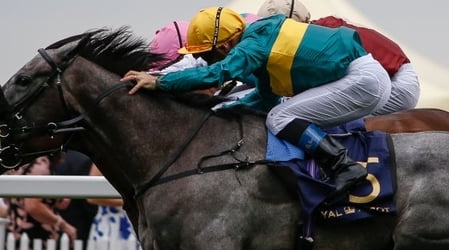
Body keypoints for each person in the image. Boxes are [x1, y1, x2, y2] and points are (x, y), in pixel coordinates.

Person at [122, 6, 391, 204]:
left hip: (361, 80)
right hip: (362, 77)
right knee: (281, 114)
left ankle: (345, 167)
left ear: (226, 45)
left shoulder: (253, 44)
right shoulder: (262, 41)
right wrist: (218, 111)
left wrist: (159, 83)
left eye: (206, 53)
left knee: (280, 119)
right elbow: (264, 98)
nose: (206, 59)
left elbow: (218, 74)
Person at [256, 0, 421, 115]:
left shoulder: (316, 37)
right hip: (397, 77)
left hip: (396, 82)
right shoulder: (323, 26)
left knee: (317, 115)